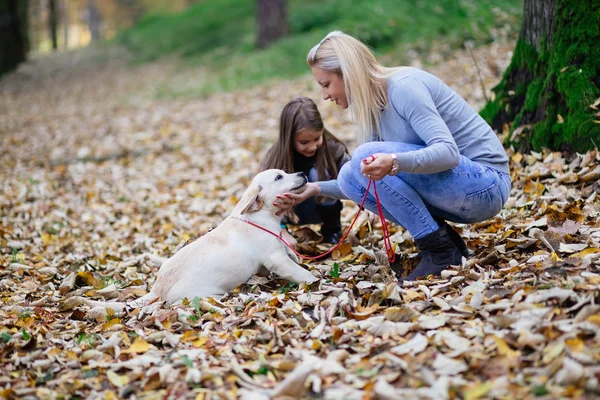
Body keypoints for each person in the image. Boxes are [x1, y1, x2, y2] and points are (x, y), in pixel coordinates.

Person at [274, 31, 511, 281]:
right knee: (349, 174)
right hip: (458, 192)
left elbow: (448, 153)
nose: (325, 95)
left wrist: (395, 162)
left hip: (486, 185)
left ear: (348, 72)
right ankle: (446, 245)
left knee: (365, 156)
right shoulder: (372, 106)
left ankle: (439, 253)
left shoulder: (404, 87)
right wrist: (314, 188)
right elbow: (364, 180)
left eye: (326, 84)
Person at [260, 96, 351, 247]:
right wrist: (281, 229)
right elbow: (265, 200)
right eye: (304, 142)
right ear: (289, 138)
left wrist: (369, 204)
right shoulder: (276, 159)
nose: (313, 146)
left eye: (317, 138)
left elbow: (355, 178)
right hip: (291, 213)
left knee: (319, 173)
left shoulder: (333, 149)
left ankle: (332, 231)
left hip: (324, 210)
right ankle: (283, 232)